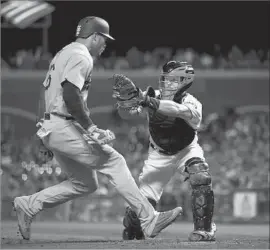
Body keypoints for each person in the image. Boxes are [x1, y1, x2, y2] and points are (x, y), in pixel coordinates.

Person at [12, 17, 182, 240]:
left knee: (85, 183)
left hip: (54, 126)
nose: (105, 44)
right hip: (62, 125)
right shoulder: (81, 56)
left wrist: (44, 129)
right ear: (94, 36)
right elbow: (71, 94)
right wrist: (91, 128)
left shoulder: (63, 53)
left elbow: (45, 93)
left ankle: (28, 205)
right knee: (115, 161)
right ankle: (148, 219)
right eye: (104, 39)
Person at [112, 61, 217, 241]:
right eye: (165, 79)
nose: (165, 83)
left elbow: (175, 109)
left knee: (200, 176)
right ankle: (134, 227)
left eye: (171, 80)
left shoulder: (192, 103)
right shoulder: (151, 95)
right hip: (158, 155)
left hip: (187, 150)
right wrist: (125, 104)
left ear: (184, 81)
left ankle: (204, 230)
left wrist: (147, 100)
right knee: (137, 218)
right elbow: (127, 115)